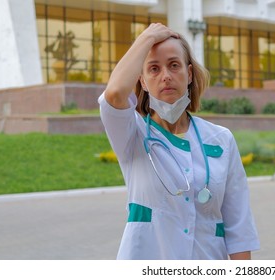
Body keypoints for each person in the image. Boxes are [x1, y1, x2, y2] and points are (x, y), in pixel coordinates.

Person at [98, 23, 260, 260]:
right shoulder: (131, 133)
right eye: (153, 69)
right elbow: (114, 93)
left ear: (190, 74)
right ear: (141, 81)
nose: (166, 76)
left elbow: (239, 228)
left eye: (174, 65)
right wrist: (149, 35)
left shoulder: (221, 139)